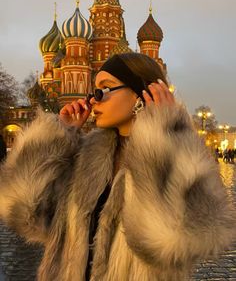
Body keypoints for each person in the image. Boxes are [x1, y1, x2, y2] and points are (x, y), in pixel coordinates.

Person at [0, 53, 235, 281]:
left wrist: (162, 139)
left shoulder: (180, 155)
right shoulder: (84, 157)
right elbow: (27, 215)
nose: (93, 99)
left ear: (140, 94)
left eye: (103, 89)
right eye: (93, 91)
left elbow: (177, 241)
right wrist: (55, 136)